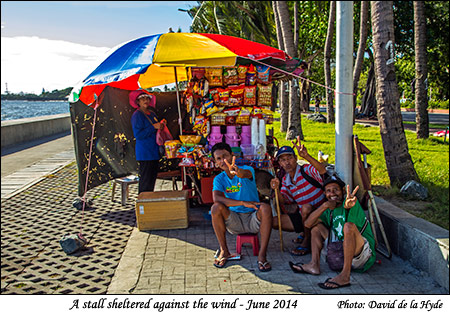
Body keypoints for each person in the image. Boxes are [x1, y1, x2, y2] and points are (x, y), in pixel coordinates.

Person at [288, 176, 376, 290]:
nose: (332, 193)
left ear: (343, 191)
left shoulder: (352, 203)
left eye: (336, 189)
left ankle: (345, 275)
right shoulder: (329, 209)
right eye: (328, 191)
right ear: (325, 194)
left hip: (362, 253)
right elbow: (308, 224)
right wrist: (324, 206)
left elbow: (350, 222)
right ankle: (314, 265)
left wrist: (347, 206)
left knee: (348, 227)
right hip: (342, 250)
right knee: (316, 228)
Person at [210, 142, 273, 272]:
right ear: (215, 162)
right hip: (234, 220)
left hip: (253, 218)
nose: (223, 161)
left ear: (233, 155)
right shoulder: (219, 179)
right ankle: (224, 251)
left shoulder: (247, 170)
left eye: (225, 156)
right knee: (215, 208)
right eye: (219, 159)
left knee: (266, 208)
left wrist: (237, 171)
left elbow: (244, 174)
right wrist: (242, 203)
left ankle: (262, 256)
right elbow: (217, 198)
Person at [270, 136, 327, 256]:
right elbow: (284, 200)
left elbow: (322, 171)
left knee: (306, 207)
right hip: (304, 216)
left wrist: (306, 156)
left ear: (295, 159)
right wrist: (276, 190)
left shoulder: (306, 170)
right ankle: (306, 231)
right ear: (280, 163)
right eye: (283, 160)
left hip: (322, 214)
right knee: (274, 222)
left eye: (289, 158)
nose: (287, 162)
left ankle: (307, 240)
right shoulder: (285, 180)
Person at [130, 90, 166, 193]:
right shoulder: (137, 115)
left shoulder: (152, 114)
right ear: (138, 102)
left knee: (151, 181)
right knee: (145, 181)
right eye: (142, 99)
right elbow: (138, 135)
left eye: (147, 98)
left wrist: (161, 125)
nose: (145, 100)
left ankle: (149, 204)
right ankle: (142, 205)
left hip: (154, 152)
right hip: (145, 153)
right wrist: (153, 127)